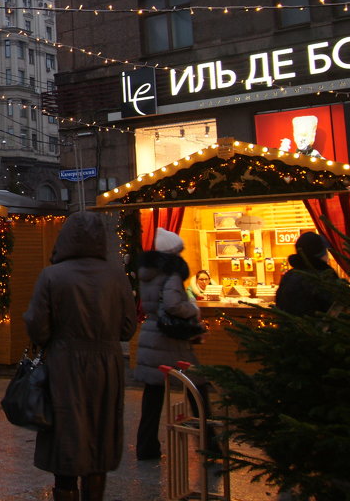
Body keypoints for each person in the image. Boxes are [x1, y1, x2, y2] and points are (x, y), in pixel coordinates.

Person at [24, 211, 138, 501]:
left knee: (65, 431)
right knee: (100, 431)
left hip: (64, 365)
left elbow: (38, 326)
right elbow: (127, 328)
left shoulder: (52, 275)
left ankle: (65, 491)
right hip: (107, 365)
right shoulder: (116, 275)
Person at [133, 227, 206, 462]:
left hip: (151, 334)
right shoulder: (171, 274)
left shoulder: (148, 273)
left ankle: (146, 446)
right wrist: (193, 309)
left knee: (153, 394)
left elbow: (150, 303)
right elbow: (174, 304)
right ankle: (209, 440)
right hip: (170, 339)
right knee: (197, 386)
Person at [275, 231, 336, 316]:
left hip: (291, 327)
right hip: (316, 327)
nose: (327, 256)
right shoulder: (324, 277)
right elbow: (332, 308)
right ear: (320, 253)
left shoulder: (289, 276)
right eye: (325, 251)